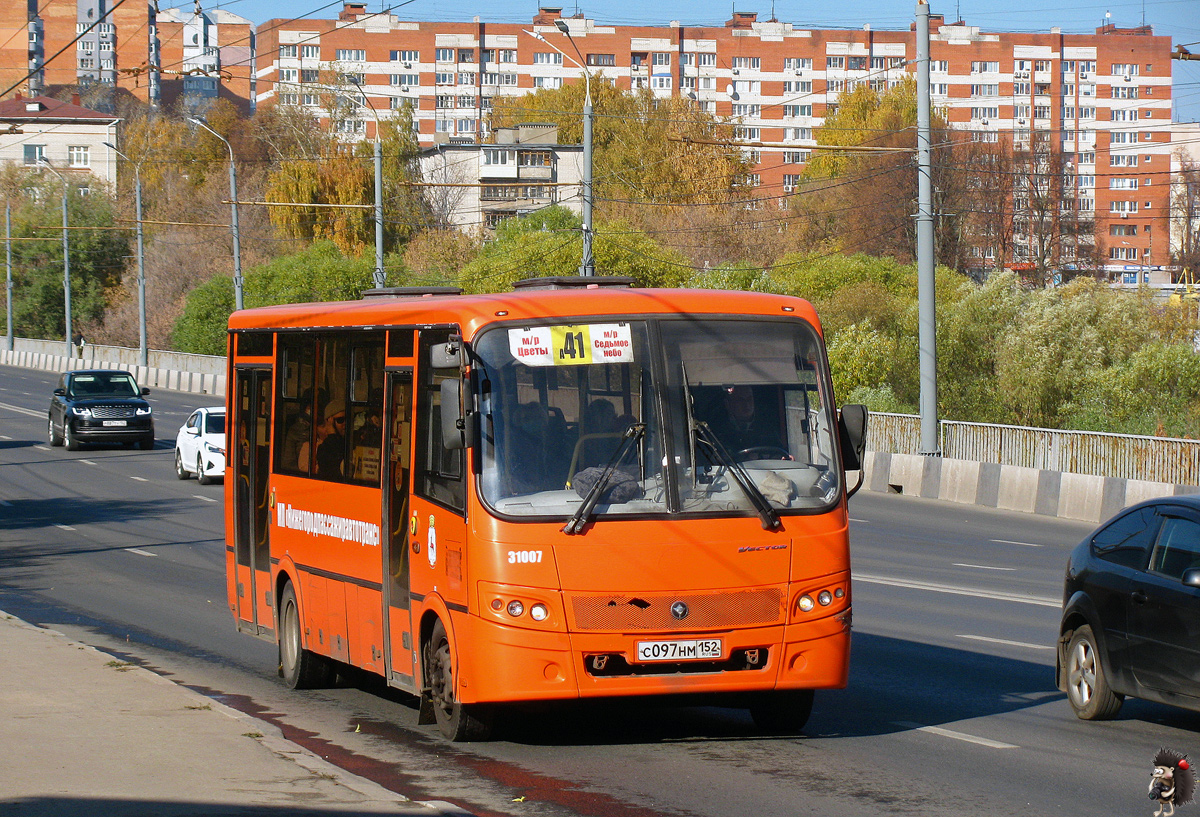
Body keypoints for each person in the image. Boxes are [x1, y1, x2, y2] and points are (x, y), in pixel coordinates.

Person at [709, 385, 784, 455]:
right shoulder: (717, 431)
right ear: (728, 404)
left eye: (749, 399)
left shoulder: (767, 427)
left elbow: (780, 451)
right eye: (740, 400)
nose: (746, 404)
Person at [314, 399, 347, 478]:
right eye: (340, 420)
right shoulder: (324, 448)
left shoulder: (352, 440)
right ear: (330, 422)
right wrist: (332, 433)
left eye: (347, 419)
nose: (345, 423)